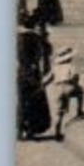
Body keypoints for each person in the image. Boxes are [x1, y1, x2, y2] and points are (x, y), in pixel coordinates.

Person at [16, 13, 53, 141]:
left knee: (21, 100)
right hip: (32, 72)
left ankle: (19, 130)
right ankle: (31, 129)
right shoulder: (35, 38)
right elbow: (47, 51)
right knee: (34, 100)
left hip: (19, 71)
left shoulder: (17, 37)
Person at [46, 46, 84, 141]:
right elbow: (75, 77)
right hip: (69, 86)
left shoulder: (55, 67)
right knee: (81, 92)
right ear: (69, 58)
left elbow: (48, 78)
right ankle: (79, 111)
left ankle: (57, 132)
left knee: (59, 112)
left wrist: (42, 85)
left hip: (58, 88)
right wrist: (75, 85)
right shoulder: (71, 66)